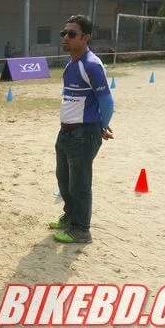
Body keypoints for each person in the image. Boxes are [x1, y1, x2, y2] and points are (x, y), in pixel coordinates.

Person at [50, 14, 114, 243]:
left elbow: (107, 101)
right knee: (64, 180)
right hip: (66, 132)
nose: (65, 37)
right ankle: (70, 217)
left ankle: (81, 230)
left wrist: (102, 126)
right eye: (64, 33)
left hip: (83, 134)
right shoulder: (71, 64)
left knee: (80, 184)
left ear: (85, 37)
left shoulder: (91, 65)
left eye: (71, 34)